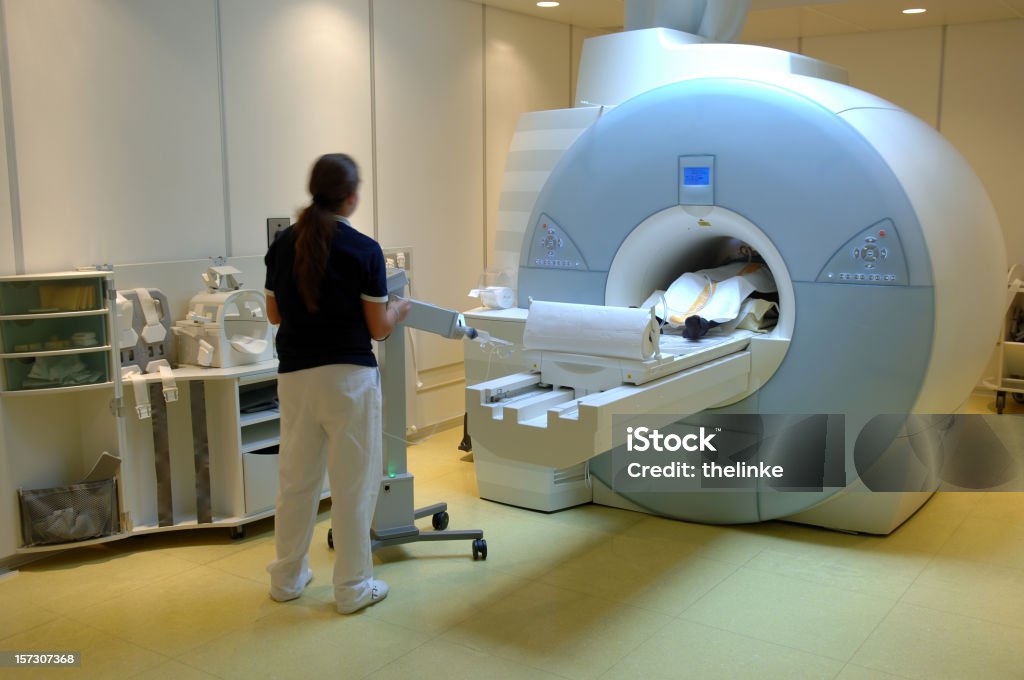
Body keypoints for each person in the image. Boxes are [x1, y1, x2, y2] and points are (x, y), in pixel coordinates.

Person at [263, 153, 410, 614]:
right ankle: (351, 588)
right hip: (348, 381)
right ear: (350, 197)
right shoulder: (365, 250)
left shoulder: (282, 245)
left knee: (296, 483)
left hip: (296, 379)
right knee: (352, 486)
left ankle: (286, 579)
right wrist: (399, 310)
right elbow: (377, 327)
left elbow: (274, 315)